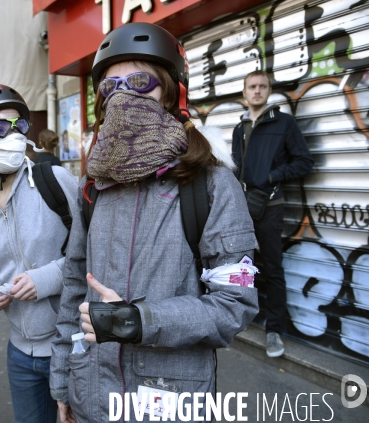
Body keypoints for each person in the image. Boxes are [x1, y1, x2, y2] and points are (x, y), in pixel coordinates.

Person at [49, 22, 259, 422]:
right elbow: (74, 289)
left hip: (170, 403)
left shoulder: (213, 186)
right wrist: (62, 382)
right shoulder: (91, 189)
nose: (123, 94)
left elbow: (236, 304)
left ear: (170, 92)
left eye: (140, 81)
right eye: (111, 87)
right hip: (90, 395)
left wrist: (141, 320)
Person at [0, 84, 78, 423]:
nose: (13, 136)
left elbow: (98, 253)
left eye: (18, 125)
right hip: (20, 353)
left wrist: (46, 278)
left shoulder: (55, 181)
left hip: (74, 347)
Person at [232, 70, 314, 358]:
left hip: (270, 205)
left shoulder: (283, 123)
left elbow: (304, 161)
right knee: (242, 264)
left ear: (269, 91)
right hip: (243, 206)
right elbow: (235, 169)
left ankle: (274, 330)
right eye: (252, 86)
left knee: (273, 266)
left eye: (262, 86)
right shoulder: (240, 127)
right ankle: (241, 316)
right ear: (245, 92)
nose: (257, 91)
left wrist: (272, 176)